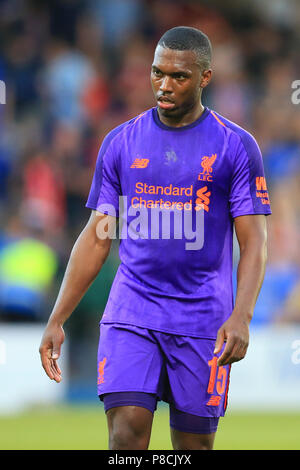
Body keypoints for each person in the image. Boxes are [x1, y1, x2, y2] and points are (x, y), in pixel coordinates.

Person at [39, 26, 271, 450]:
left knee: (192, 448)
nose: (164, 85)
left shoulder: (236, 146)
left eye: (178, 76)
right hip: (133, 310)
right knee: (126, 435)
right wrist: (57, 317)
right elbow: (97, 236)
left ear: (205, 78)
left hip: (205, 320)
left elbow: (254, 241)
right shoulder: (120, 143)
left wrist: (242, 316)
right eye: (157, 72)